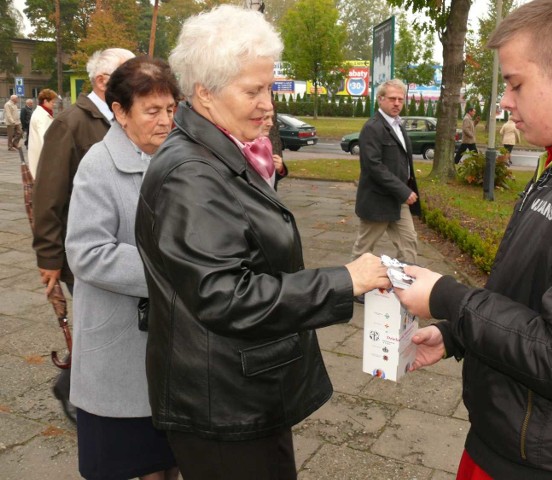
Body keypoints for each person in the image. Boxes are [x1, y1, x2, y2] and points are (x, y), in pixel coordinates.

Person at [135, 6, 390, 479]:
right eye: (253, 91)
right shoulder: (191, 175)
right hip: (223, 406)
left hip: (240, 391)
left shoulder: (214, 151)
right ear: (204, 93)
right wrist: (344, 282)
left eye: (268, 88)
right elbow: (226, 296)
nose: (268, 104)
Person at [395, 1, 552, 478]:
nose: (504, 100)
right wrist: (455, 334)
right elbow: (533, 299)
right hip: (512, 440)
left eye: (515, 83)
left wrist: (447, 297)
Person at [65, 56, 180, 480]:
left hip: (169, 352)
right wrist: (175, 271)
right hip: (121, 354)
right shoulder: (99, 164)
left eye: (170, 109)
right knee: (138, 467)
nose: (165, 120)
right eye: (152, 110)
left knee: (171, 464)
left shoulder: (172, 158)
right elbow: (87, 252)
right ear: (119, 111)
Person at [31, 47, 134, 424]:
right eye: (129, 74)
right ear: (104, 81)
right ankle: (78, 388)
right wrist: (48, 257)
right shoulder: (73, 122)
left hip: (122, 242)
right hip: (88, 248)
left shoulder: (120, 117)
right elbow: (49, 193)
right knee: (103, 325)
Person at [350, 79, 420, 303]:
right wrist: (403, 190)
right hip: (378, 200)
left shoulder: (398, 125)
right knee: (365, 247)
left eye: (400, 99)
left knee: (409, 242)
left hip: (397, 199)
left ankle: (403, 285)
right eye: (392, 99)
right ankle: (354, 289)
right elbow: (373, 166)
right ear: (380, 99)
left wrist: (406, 187)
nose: (397, 103)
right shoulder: (373, 127)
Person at [28, 89, 57, 177]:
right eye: (52, 102)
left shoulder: (41, 113)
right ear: (45, 101)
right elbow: (45, 138)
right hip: (43, 157)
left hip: (39, 155)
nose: (54, 104)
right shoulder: (42, 116)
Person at [261, 111, 288, 189]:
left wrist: (280, 169)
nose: (271, 123)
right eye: (265, 118)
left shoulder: (266, 142)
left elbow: (271, 180)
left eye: (271, 118)